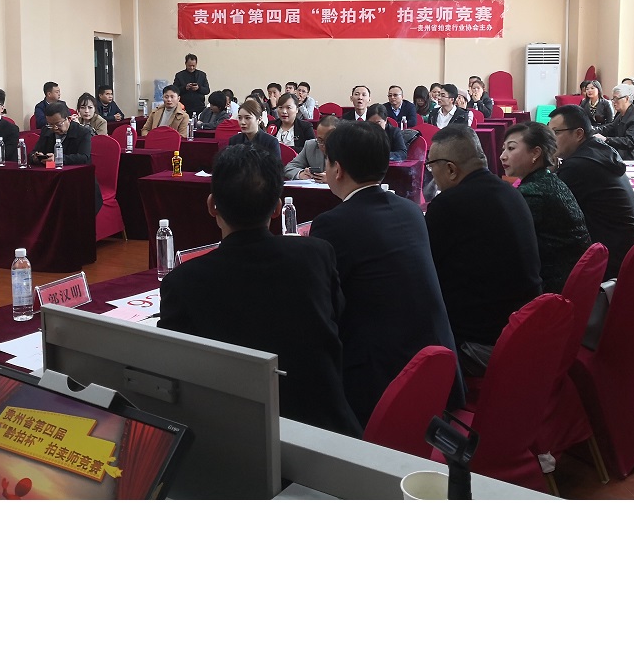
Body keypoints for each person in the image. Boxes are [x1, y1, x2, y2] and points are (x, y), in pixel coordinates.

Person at [158, 143, 362, 438]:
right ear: (278, 208)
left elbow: (173, 373)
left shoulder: (183, 282)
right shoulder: (316, 255)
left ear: (212, 205)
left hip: (237, 439)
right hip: (328, 432)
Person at [309, 121, 463, 427]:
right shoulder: (410, 210)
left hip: (383, 381)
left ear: (337, 169)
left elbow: (325, 303)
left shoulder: (332, 224)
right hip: (437, 367)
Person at [425, 124, 543, 377]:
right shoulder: (511, 192)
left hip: (483, 345)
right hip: (525, 329)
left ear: (450, 169)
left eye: (431, 166)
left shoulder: (448, 205)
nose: (431, 174)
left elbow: (425, 273)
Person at [548, 104, 634, 279]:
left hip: (612, 258)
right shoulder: (599, 150)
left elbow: (551, 208)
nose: (550, 141)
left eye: (556, 133)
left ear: (579, 134)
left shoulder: (578, 165)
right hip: (632, 246)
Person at [499, 122, 592, 294]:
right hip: (572, 279)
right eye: (503, 149)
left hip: (553, 288)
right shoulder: (548, 180)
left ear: (536, 153)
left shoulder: (532, 193)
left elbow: (506, 244)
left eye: (511, 148)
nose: (502, 156)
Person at [592, 83, 634, 161]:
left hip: (630, 158)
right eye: (613, 99)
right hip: (620, 154)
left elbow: (630, 142)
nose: (613, 102)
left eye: (616, 98)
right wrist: (591, 130)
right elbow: (610, 128)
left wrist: (606, 139)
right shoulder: (622, 114)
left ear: (626, 98)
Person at [284, 115, 337, 181]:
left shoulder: (347, 148)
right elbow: (289, 168)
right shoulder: (311, 146)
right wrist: (301, 174)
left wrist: (332, 178)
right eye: (320, 140)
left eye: (328, 140)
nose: (323, 145)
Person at [173, 53, 210, 117]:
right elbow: (174, 91)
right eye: (189, 66)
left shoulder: (202, 75)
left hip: (199, 107)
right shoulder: (179, 75)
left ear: (196, 64)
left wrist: (198, 88)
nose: (191, 68)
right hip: (183, 107)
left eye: (193, 66)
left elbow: (207, 90)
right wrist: (185, 88)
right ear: (185, 63)